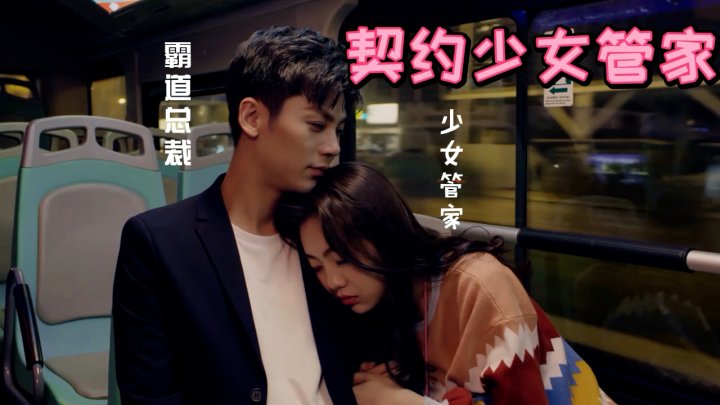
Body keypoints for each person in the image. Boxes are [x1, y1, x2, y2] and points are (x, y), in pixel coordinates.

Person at [112, 26, 361, 405]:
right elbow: (151, 396)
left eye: (338, 130)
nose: (332, 147)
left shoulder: (328, 232)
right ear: (252, 117)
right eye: (316, 125)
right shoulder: (160, 244)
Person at [276, 162, 616, 405]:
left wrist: (403, 402)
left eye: (342, 259)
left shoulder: (479, 285)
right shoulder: (380, 305)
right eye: (316, 266)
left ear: (383, 235)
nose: (332, 281)